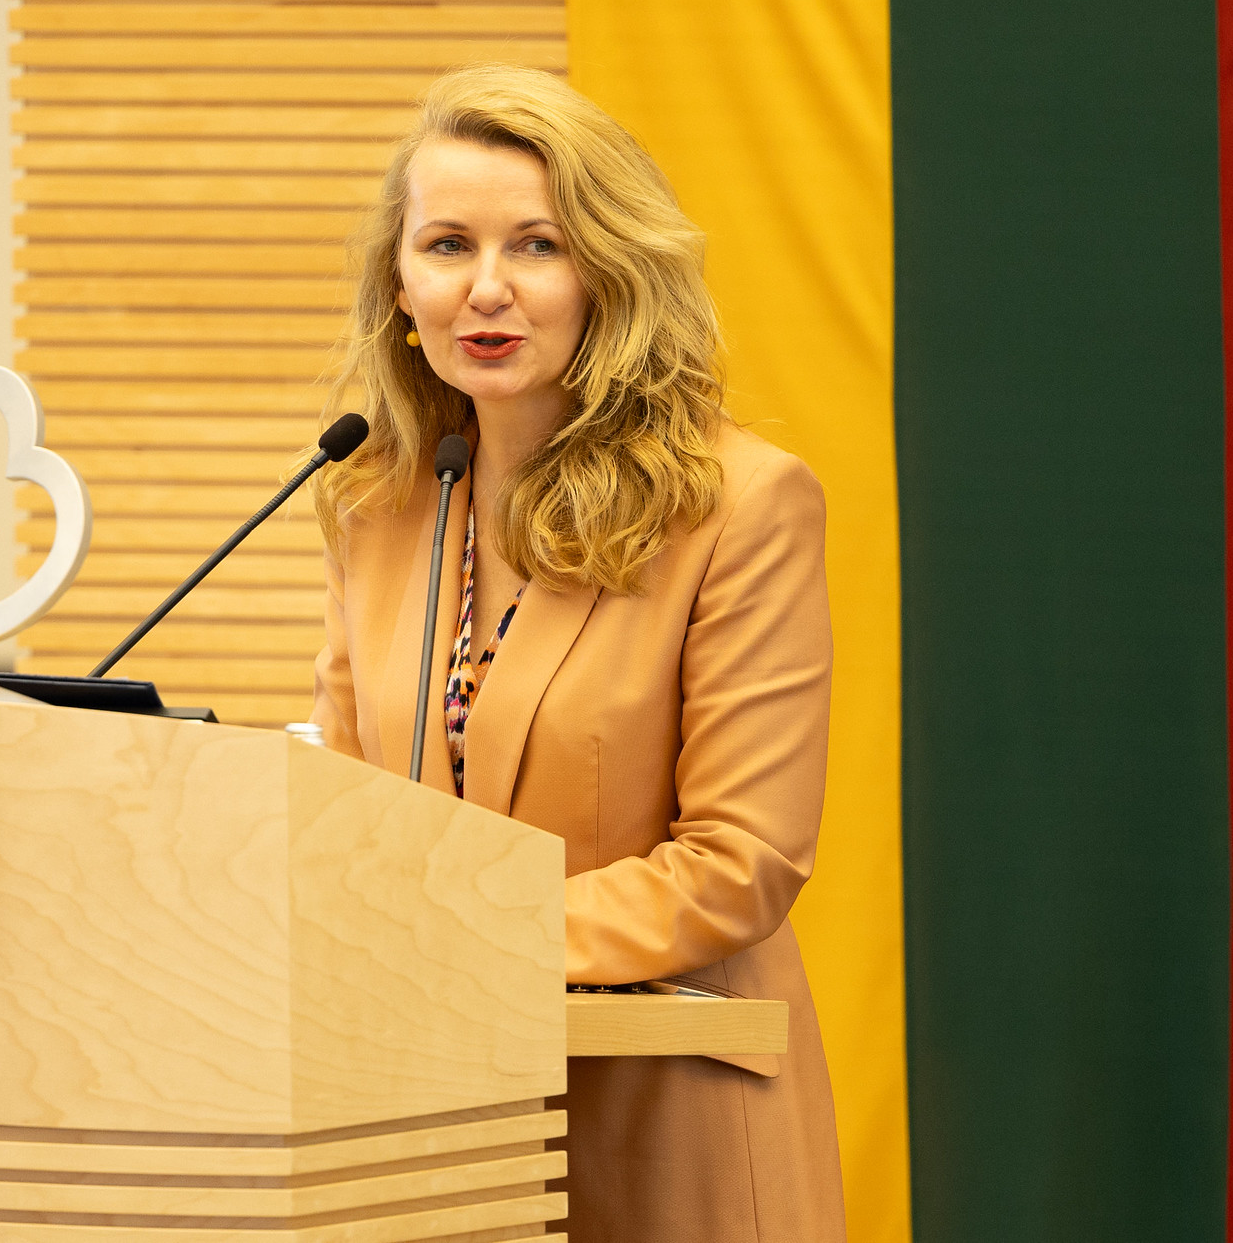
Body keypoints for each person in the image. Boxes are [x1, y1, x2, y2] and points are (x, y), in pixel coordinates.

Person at [309, 63, 845, 1242]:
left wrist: (460, 941)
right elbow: (343, 818)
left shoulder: (738, 507)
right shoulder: (376, 508)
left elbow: (739, 862)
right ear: (399, 283)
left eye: (537, 246)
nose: (485, 289)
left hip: (667, 1119)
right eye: (446, 246)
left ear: (606, 271)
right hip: (428, 1127)